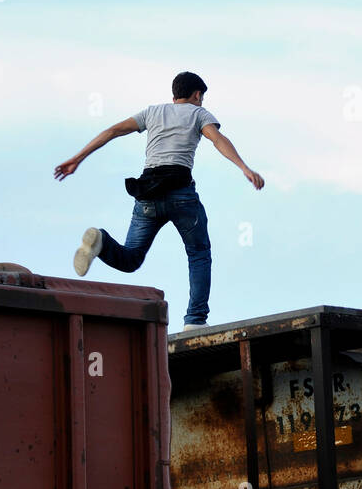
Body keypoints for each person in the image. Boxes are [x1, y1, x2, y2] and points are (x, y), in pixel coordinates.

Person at [53, 71, 264, 330]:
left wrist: (78, 157)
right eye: (202, 98)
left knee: (131, 258)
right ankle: (195, 321)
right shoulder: (199, 114)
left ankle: (101, 242)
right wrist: (244, 167)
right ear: (197, 95)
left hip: (148, 193)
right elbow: (218, 139)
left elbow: (113, 130)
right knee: (199, 254)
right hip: (181, 194)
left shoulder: (152, 112)